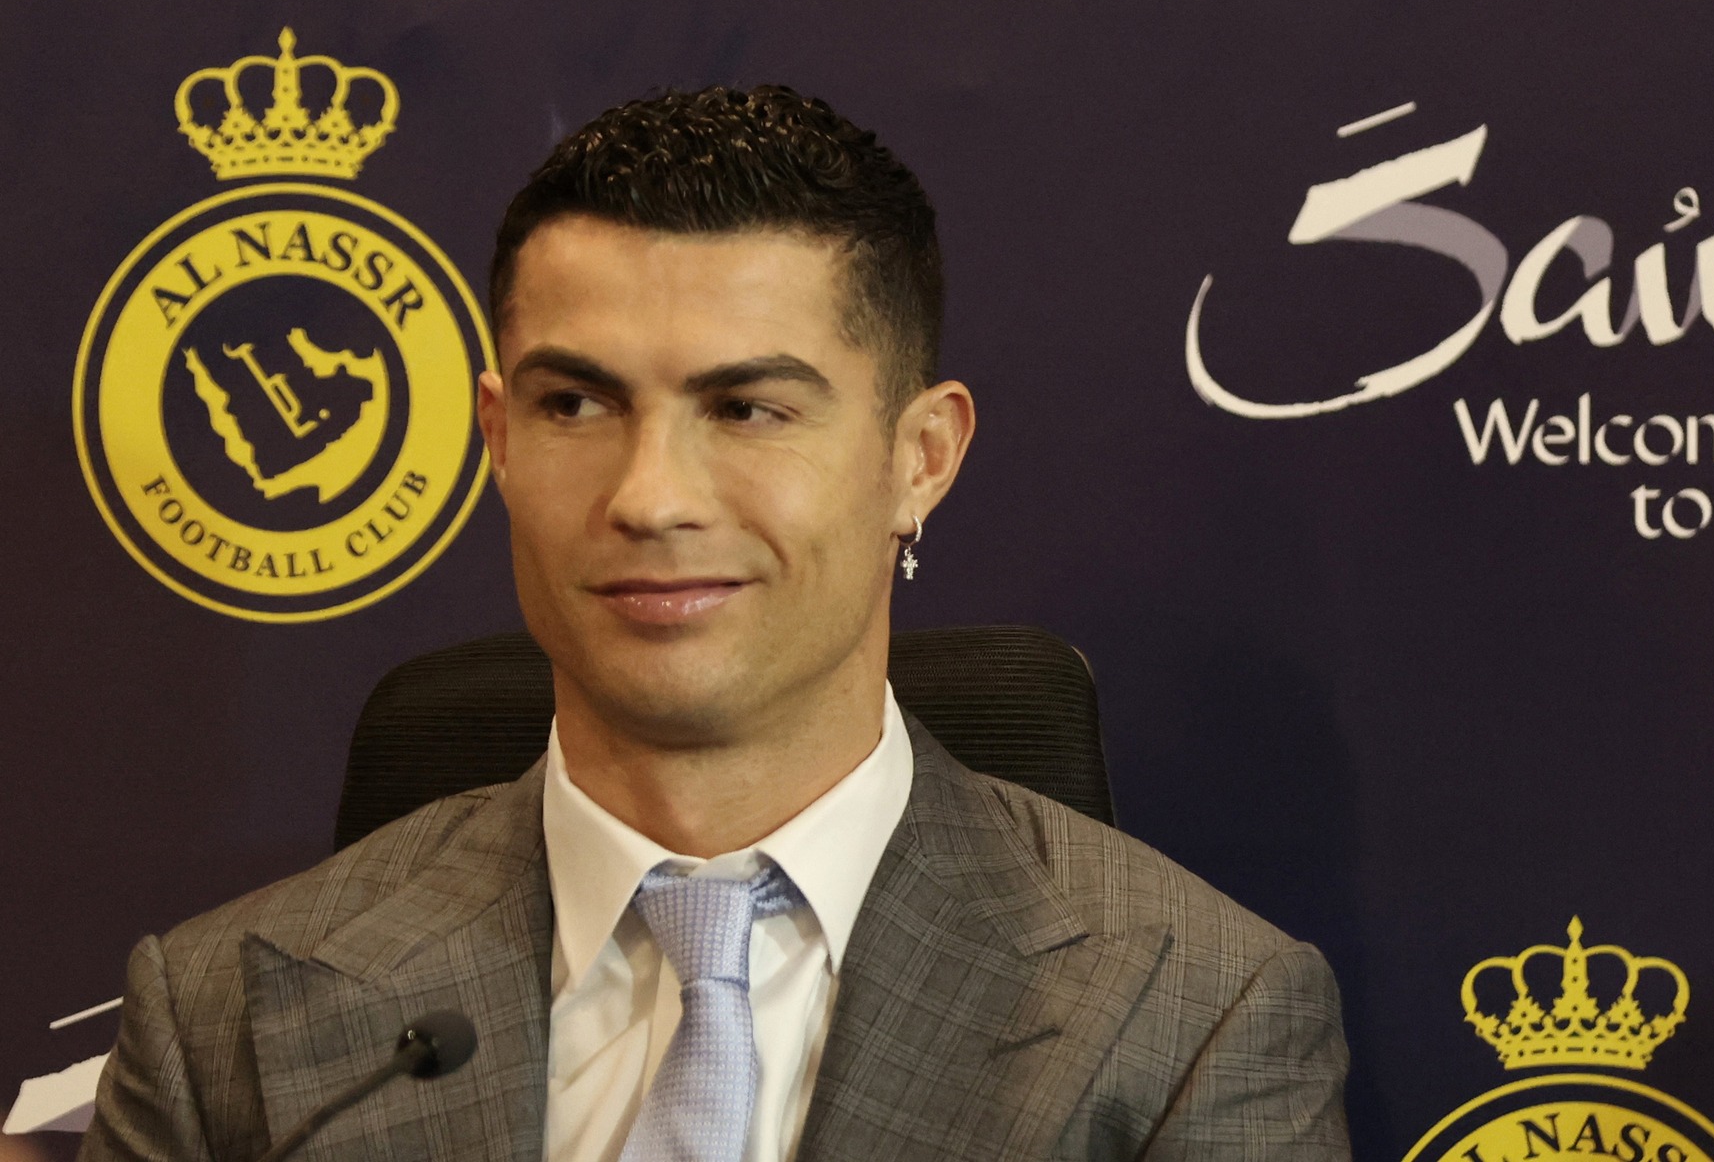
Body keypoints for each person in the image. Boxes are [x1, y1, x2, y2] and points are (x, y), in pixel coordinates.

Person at [80, 86, 1351, 1161]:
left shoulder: (1194, 1020)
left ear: (919, 458)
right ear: (498, 439)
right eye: (576, 405)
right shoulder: (217, 1018)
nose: (650, 498)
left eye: (746, 409)